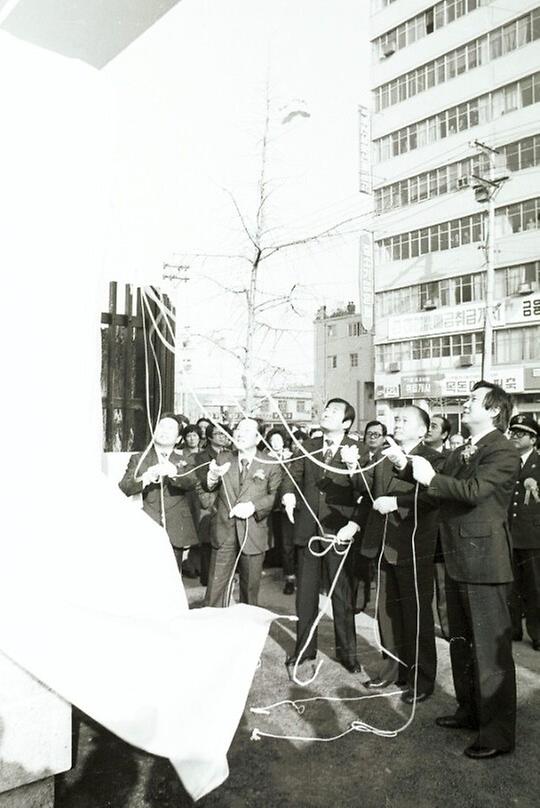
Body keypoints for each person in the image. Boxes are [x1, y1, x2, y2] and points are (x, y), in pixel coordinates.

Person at [404, 381, 520, 759]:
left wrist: (430, 478)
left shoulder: (502, 450)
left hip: (484, 561)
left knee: (490, 653)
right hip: (458, 556)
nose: (465, 403)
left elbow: (473, 491)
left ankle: (498, 734)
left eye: (473, 399)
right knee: (462, 644)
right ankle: (471, 711)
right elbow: (441, 484)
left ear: (493, 410)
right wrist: (405, 467)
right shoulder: (463, 448)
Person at [359, 406, 444, 703]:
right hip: (385, 544)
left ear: (423, 430)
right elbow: (369, 493)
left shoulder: (434, 458)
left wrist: (398, 503)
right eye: (396, 419)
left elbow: (435, 497)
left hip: (414, 546)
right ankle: (393, 670)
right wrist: (355, 466)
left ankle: (421, 679)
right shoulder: (383, 455)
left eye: (405, 420)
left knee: (416, 614)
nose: (397, 423)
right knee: (387, 613)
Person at [281, 398, 364, 674]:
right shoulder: (307, 447)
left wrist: (353, 469)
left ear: (346, 423)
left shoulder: (358, 450)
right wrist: (289, 495)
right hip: (307, 530)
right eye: (326, 409)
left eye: (335, 412)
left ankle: (348, 654)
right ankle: (304, 649)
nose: (327, 413)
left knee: (341, 595)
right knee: (305, 595)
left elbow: (364, 490)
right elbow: (290, 476)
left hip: (338, 531)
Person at [204, 418, 282, 607]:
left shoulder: (270, 463)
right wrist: (212, 477)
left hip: (253, 532)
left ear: (258, 438)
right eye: (238, 429)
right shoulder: (224, 458)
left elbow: (275, 496)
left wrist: (254, 507)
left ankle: (246, 631)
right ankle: (211, 629)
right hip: (224, 531)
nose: (239, 433)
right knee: (215, 588)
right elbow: (209, 488)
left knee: (249, 591)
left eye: (246, 430)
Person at [118, 414, 198, 572]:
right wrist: (145, 478)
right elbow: (124, 487)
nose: (165, 431)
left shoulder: (186, 460)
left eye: (171, 428)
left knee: (173, 577)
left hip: (176, 529)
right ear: (153, 431)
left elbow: (192, 482)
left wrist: (174, 472)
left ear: (178, 438)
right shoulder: (139, 459)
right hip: (146, 525)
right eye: (161, 427)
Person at [507, 414, 540, 651]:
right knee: (511, 585)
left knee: (535, 586)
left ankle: (537, 633)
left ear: (533, 438)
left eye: (520, 433)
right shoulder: (508, 462)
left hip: (533, 535)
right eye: (513, 433)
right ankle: (513, 629)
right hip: (508, 533)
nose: (514, 437)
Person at [425, 414, 452, 641]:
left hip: (441, 531)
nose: (428, 429)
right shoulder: (412, 455)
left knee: (443, 586)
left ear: (444, 434)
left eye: (433, 426)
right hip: (420, 529)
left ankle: (447, 629)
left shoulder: (451, 460)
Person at [265, 428, 296, 595]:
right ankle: (289, 578)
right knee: (285, 544)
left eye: (279, 439)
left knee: (295, 542)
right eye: (273, 440)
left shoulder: (294, 456)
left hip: (294, 504)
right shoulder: (265, 459)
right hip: (277, 506)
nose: (276, 443)